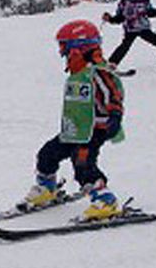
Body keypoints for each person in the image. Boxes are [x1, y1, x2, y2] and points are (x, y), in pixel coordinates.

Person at [22, 20, 125, 221]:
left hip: (97, 129)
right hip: (75, 129)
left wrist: (115, 115)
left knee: (83, 163)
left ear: (79, 48)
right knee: (47, 154)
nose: (61, 53)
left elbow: (113, 94)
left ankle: (106, 200)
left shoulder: (99, 72)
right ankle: (46, 188)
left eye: (64, 47)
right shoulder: (77, 72)